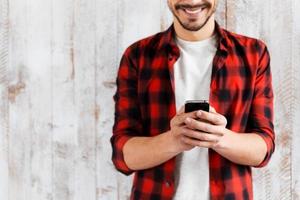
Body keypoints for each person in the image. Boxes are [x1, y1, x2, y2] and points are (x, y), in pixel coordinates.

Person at [110, 0, 275, 199]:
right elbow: (123, 155)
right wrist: (173, 140)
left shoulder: (253, 53)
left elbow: (263, 149)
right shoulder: (137, 55)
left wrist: (218, 137)